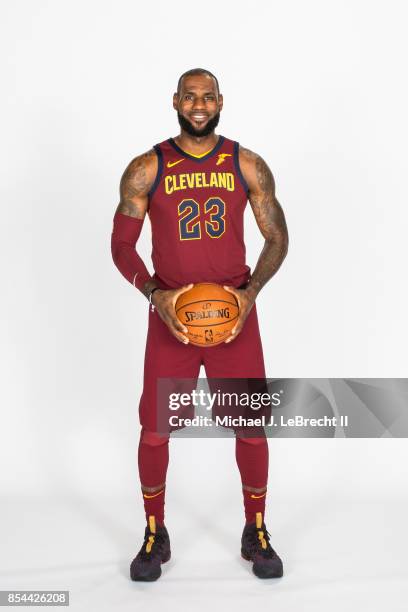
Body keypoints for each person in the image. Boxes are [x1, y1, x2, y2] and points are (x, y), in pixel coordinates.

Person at [111, 68, 289, 581]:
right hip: (172, 318)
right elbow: (121, 246)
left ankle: (255, 528)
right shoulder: (148, 168)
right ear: (175, 101)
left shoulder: (246, 164)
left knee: (251, 428)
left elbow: (277, 237)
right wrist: (155, 294)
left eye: (207, 96)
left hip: (235, 319)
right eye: (190, 96)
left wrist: (250, 294)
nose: (198, 104)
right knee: (155, 430)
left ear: (220, 102)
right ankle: (153, 530)